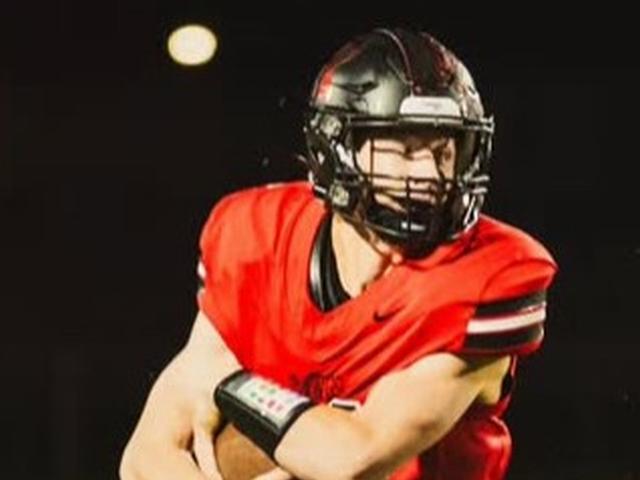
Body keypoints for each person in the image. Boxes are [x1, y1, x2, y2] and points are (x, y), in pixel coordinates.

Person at [120, 27, 557, 480]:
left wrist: (227, 384)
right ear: (337, 150)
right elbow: (144, 458)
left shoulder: (486, 275)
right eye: (406, 149)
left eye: (444, 150)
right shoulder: (257, 239)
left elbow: (352, 458)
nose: (430, 174)